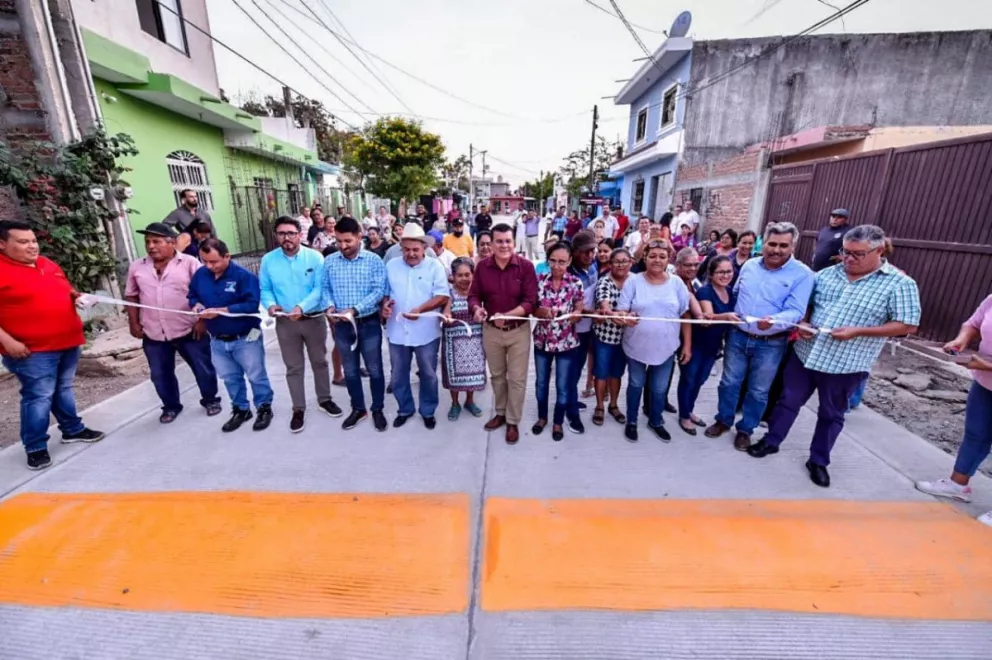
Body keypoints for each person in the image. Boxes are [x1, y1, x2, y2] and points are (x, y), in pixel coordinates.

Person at [747, 225, 921, 488]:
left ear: (879, 250)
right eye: (846, 252)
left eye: (857, 254)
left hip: (846, 363)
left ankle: (818, 460)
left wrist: (858, 331)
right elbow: (806, 305)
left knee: (831, 414)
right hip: (805, 355)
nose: (849, 258)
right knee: (787, 401)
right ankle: (772, 441)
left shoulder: (899, 284)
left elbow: (907, 325)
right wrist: (803, 323)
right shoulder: (827, 275)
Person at [0, 220, 104, 470]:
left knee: (63, 389)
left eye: (33, 240)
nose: (32, 246)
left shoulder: (47, 264)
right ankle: (35, 447)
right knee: (38, 397)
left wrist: (76, 297)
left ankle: (72, 429)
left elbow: (65, 289)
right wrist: (6, 340)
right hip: (32, 350)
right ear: (2, 244)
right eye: (23, 242)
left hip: (67, 342)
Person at [705, 222, 815, 450]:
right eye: (771, 244)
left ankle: (746, 429)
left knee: (758, 390)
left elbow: (796, 310)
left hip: (771, 343)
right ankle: (723, 420)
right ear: (763, 243)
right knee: (728, 383)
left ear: (793, 245)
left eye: (783, 245)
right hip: (738, 335)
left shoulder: (803, 274)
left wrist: (775, 321)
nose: (776, 250)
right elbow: (735, 294)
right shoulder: (750, 266)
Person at [125, 222, 220, 424]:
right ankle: (170, 406)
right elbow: (131, 296)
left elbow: (206, 292)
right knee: (160, 374)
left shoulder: (190, 263)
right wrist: (133, 323)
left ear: (172, 243)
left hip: (189, 328)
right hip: (154, 332)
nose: (151, 246)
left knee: (203, 368)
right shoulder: (137, 267)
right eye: (148, 242)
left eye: (156, 241)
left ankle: (211, 400)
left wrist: (202, 320)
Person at [915, 294, 992, 525]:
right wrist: (962, 339)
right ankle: (957, 485)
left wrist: (987, 364)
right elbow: (973, 323)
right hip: (985, 382)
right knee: (975, 434)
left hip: (986, 369)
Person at [260, 217, 342, 433]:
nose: (286, 238)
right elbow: (266, 289)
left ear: (300, 235)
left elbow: (320, 289)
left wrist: (301, 307)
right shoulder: (269, 260)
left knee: (319, 361)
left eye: (291, 233)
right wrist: (269, 305)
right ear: (276, 236)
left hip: (313, 319)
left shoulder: (315, 258)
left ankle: (325, 399)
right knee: (293, 367)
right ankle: (298, 408)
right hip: (285, 322)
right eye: (281, 233)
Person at [188, 238, 274, 433]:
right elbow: (192, 294)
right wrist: (197, 305)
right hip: (218, 339)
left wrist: (221, 310)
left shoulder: (244, 277)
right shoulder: (201, 275)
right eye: (204, 261)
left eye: (214, 261)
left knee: (256, 374)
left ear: (227, 256)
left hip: (247, 335)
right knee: (229, 377)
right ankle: (241, 409)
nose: (209, 266)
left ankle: (264, 407)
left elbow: (251, 305)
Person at [615, 240, 692, 442]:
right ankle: (632, 421)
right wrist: (625, 317)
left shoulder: (677, 283)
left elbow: (685, 315)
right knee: (635, 384)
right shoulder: (633, 282)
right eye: (653, 256)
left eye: (662, 256)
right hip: (636, 345)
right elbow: (621, 310)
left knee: (659, 389)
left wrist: (687, 345)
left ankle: (655, 420)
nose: (657, 260)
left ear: (669, 259)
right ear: (645, 258)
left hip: (666, 347)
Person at [469, 223, 538, 445]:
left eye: (507, 240)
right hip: (491, 331)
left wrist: (507, 315)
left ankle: (512, 420)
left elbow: (530, 302)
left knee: (517, 379)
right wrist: (477, 309)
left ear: (514, 241)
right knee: (497, 376)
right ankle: (500, 412)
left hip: (518, 331)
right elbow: (473, 296)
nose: (504, 245)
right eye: (499, 241)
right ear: (492, 243)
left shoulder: (526, 267)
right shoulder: (481, 267)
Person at [321, 216, 389, 431]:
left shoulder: (374, 261)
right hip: (342, 325)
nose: (342, 246)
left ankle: (377, 408)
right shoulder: (330, 261)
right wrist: (330, 307)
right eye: (338, 241)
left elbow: (379, 291)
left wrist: (355, 309)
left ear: (360, 237)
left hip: (367, 323)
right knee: (350, 370)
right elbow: (324, 289)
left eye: (347, 241)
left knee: (375, 369)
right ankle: (358, 408)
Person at [382, 223, 450, 429]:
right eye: (407, 249)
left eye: (416, 250)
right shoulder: (391, 265)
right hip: (397, 330)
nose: (411, 254)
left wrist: (420, 309)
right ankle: (405, 409)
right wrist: (384, 307)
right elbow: (385, 293)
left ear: (424, 248)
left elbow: (442, 295)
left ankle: (427, 410)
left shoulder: (434, 266)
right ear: (401, 247)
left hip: (426, 331)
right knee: (398, 374)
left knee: (428, 373)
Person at [531, 242, 585, 442]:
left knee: (563, 386)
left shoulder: (575, 283)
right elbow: (532, 308)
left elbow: (579, 309)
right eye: (553, 261)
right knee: (541, 383)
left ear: (569, 261)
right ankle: (542, 418)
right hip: (542, 341)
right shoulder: (539, 281)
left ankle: (557, 422)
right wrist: (542, 312)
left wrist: (574, 315)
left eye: (562, 262)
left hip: (567, 343)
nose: (556, 266)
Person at [677, 256, 737, 435]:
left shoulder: (731, 292)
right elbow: (707, 319)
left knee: (700, 380)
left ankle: (689, 410)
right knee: (689, 379)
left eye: (729, 271)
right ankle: (684, 415)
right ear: (711, 274)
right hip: (696, 343)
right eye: (721, 272)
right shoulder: (705, 292)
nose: (725, 275)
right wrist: (726, 317)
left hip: (713, 346)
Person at [592, 247, 633, 427]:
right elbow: (605, 306)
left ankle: (614, 405)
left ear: (631, 262)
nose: (621, 265)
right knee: (601, 373)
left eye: (625, 261)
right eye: (616, 261)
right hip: (605, 338)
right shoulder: (604, 283)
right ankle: (600, 406)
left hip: (626, 339)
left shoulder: (635, 281)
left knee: (617, 374)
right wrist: (615, 315)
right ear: (610, 264)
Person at [442, 258, 486, 421]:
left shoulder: (478, 293)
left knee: (472, 374)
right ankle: (455, 403)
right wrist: (447, 317)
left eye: (467, 274)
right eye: (459, 275)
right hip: (453, 342)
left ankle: (469, 401)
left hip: (475, 340)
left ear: (473, 275)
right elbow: (446, 312)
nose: (464, 278)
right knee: (454, 376)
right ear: (453, 276)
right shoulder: (449, 294)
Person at [568, 231, 599, 424]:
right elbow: (570, 305)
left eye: (592, 251)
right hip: (574, 330)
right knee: (572, 369)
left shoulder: (593, 267)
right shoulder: (569, 273)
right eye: (585, 252)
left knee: (578, 368)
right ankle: (570, 405)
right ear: (575, 252)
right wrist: (590, 312)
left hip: (590, 328)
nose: (590, 255)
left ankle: (571, 399)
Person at [164, 189, 213, 253]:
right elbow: (164, 226)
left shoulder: (203, 213)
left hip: (205, 247)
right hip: (189, 248)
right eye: (191, 197)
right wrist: (177, 237)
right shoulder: (177, 213)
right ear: (184, 199)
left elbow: (212, 230)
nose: (195, 199)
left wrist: (215, 243)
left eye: (195, 196)